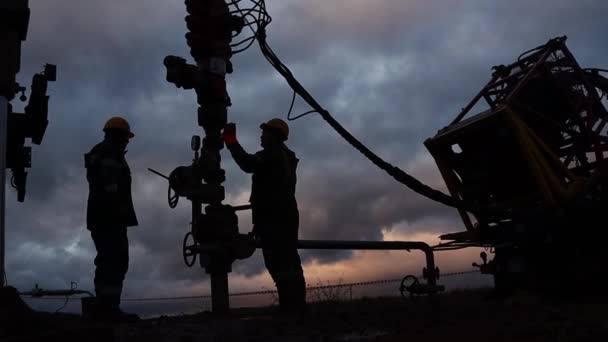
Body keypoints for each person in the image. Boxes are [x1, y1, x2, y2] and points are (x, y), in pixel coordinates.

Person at [223, 118, 306, 312]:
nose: (261, 135)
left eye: (265, 132)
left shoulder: (273, 154)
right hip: (283, 215)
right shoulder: (284, 156)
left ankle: (291, 309)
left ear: (274, 135)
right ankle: (297, 307)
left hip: (274, 217)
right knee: (289, 261)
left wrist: (231, 142)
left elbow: (247, 164)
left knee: (279, 263)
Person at [84, 116, 139, 322]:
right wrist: (118, 212)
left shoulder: (109, 153)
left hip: (107, 217)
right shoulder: (108, 153)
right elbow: (110, 187)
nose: (127, 141)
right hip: (109, 217)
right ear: (119, 136)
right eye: (125, 137)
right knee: (113, 260)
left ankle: (106, 307)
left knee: (111, 260)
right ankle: (108, 310)